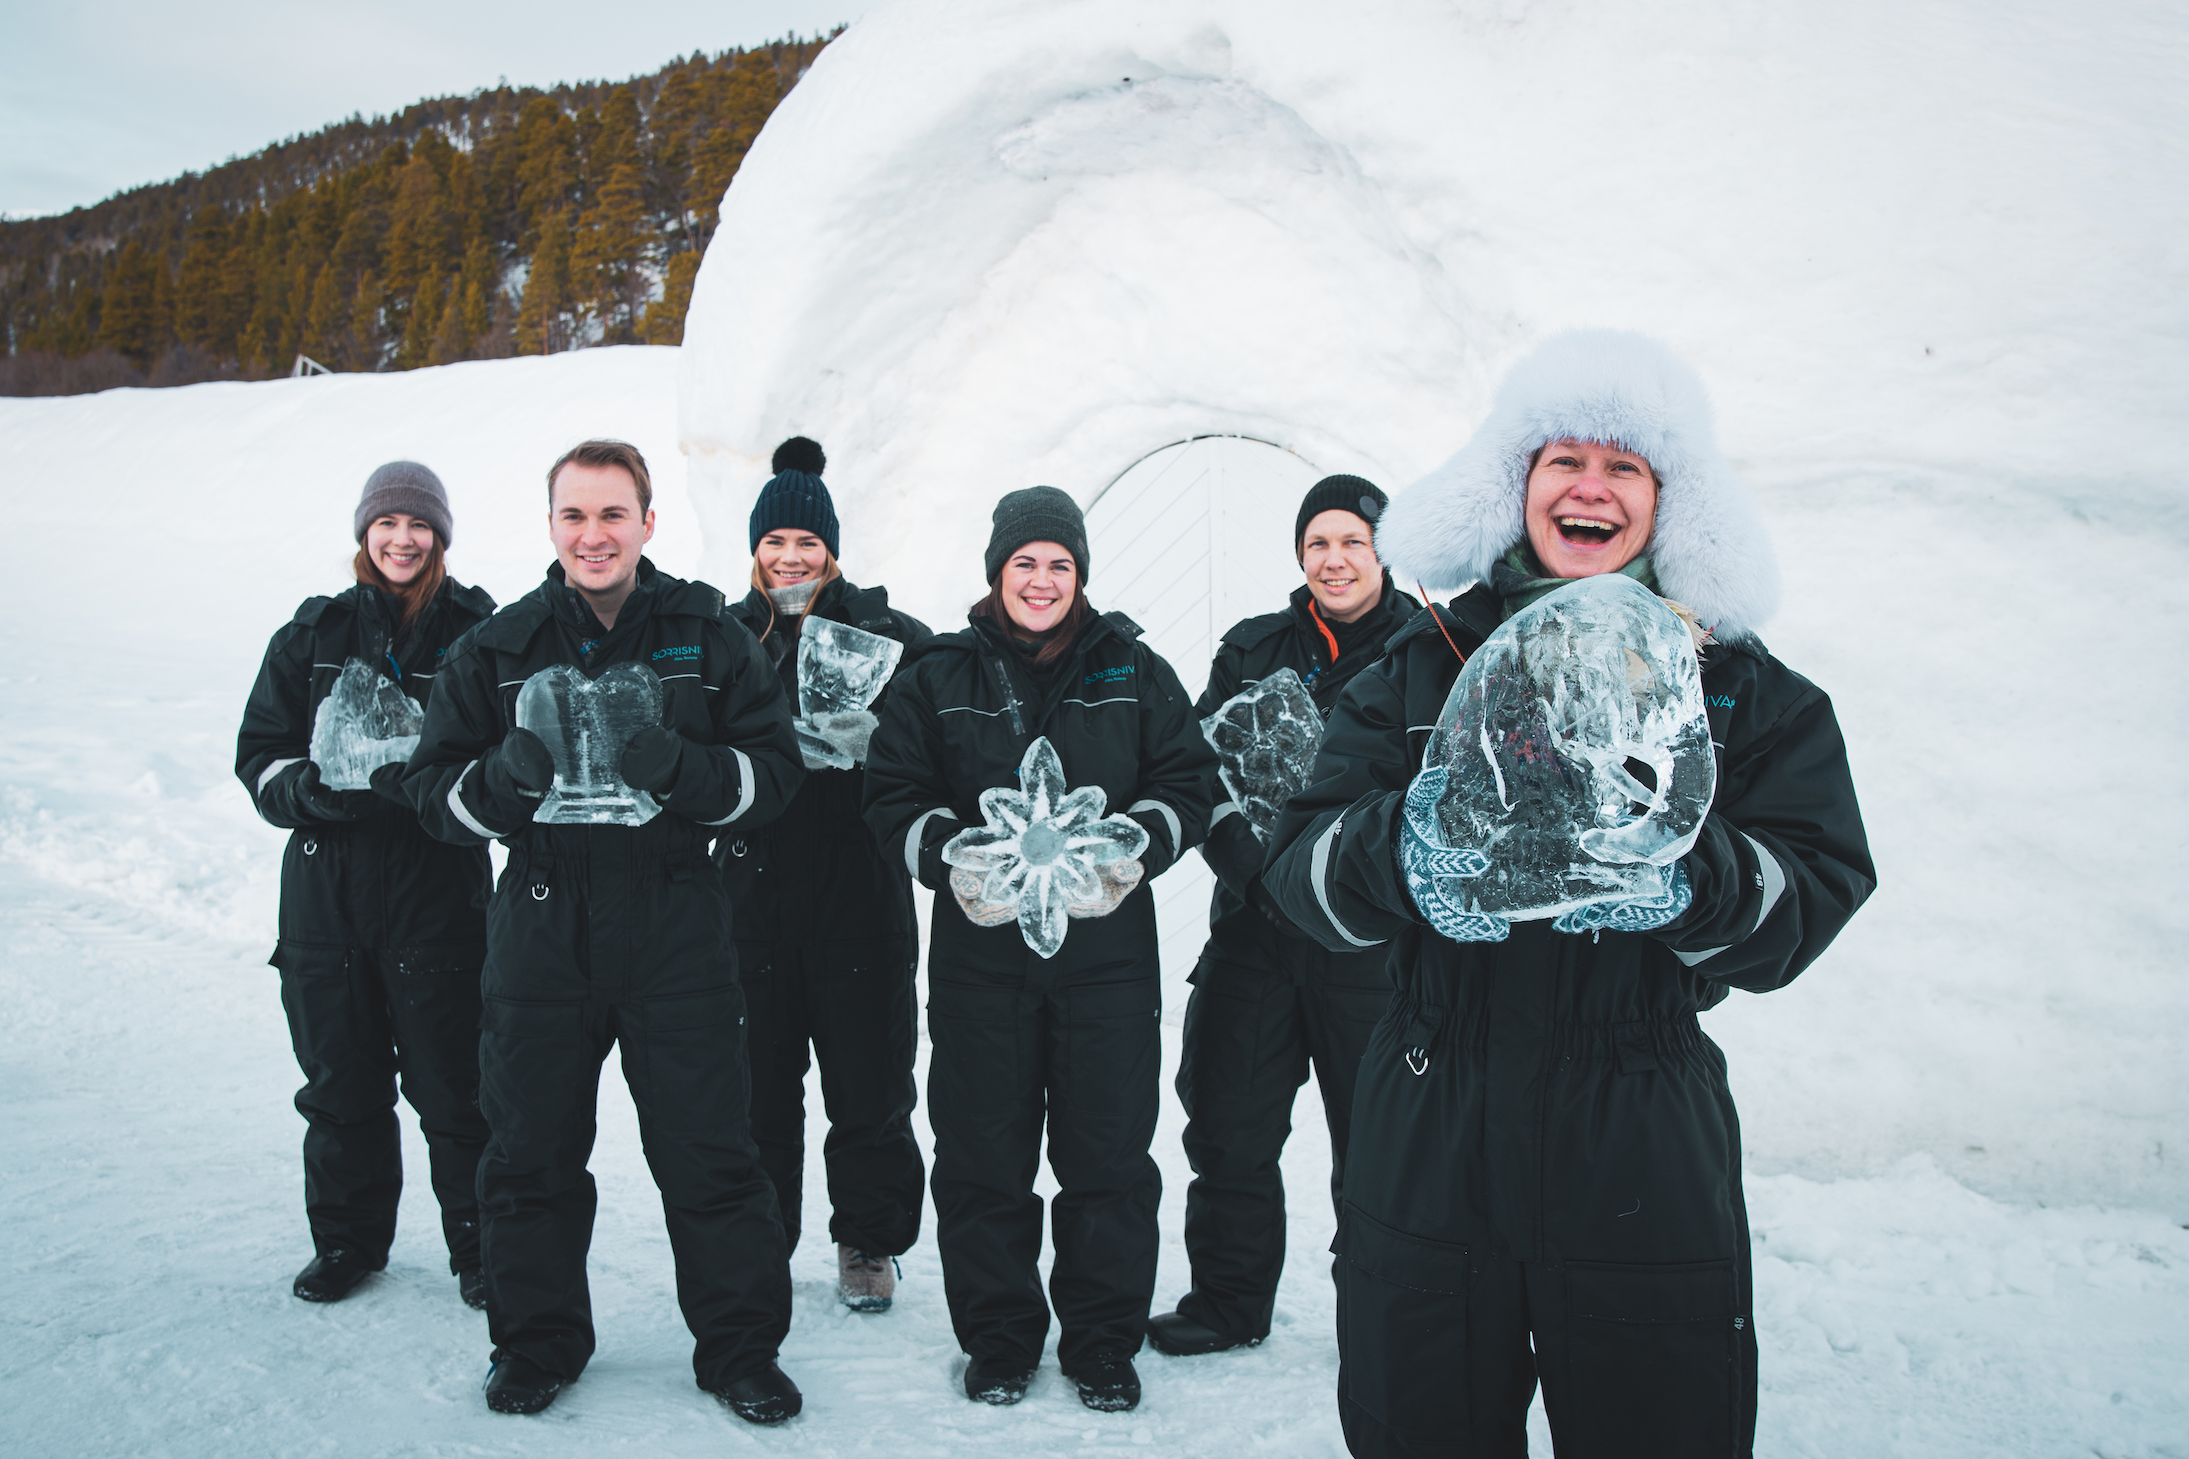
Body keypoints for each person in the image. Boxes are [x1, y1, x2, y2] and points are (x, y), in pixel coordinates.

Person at [1264, 332, 1874, 1458]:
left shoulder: (1743, 690)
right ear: (1517, 488)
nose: (1589, 484)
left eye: (1624, 465)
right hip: (1430, 1113)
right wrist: (1400, 852)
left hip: (1637, 1124)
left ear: (1665, 505)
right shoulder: (1418, 662)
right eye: (1561, 460)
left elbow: (1816, 884)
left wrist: (1696, 882)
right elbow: (1298, 875)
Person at [402, 439, 807, 1423]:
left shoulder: (706, 634)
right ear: (551, 526)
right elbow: (427, 797)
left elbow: (773, 777)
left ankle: (740, 1351)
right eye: (575, 516)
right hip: (541, 925)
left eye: (612, 514)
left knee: (711, 1150)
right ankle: (534, 1345)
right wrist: (500, 784)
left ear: (647, 523)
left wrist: (682, 767)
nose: (594, 535)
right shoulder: (497, 647)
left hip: (675, 918)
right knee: (528, 1151)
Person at [862, 487, 1217, 1414]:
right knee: (984, 1155)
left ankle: (1102, 1341)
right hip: (982, 960)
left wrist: (1138, 838)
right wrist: (950, 854)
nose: (1042, 578)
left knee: (1107, 1157)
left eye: (1059, 563)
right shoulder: (939, 675)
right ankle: (1001, 1338)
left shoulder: (1133, 670)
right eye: (1025, 562)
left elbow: (1188, 778)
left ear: (1080, 575)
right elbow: (889, 792)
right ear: (996, 571)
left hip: (1105, 959)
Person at [1151, 475, 1420, 1357]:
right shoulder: (1254, 646)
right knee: (1226, 1121)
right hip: (1256, 929)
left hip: (1370, 946)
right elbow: (1194, 767)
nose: (1333, 559)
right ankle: (1226, 1302)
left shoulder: (1431, 651)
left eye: (1351, 541)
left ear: (1383, 548)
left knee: (1381, 1142)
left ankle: (1380, 1313)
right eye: (1317, 544)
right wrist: (1248, 864)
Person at [236, 462, 498, 1309]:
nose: (403, 539)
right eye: (387, 524)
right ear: (365, 534)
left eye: (419, 526)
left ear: (440, 538)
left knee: (455, 1084)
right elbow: (261, 750)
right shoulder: (312, 633)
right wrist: (301, 790)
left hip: (437, 889)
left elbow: (501, 752)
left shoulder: (477, 630)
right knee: (340, 1084)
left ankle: (480, 1247)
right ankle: (348, 1240)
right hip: (327, 894)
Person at [719, 435, 930, 1313]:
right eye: (776, 544)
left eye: (806, 543)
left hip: (859, 899)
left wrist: (879, 747)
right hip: (748, 901)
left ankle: (868, 1240)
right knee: (757, 1087)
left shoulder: (885, 636)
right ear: (756, 551)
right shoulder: (725, 636)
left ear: (831, 548)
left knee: (869, 1084)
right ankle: (762, 1239)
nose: (790, 558)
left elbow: (937, 729)